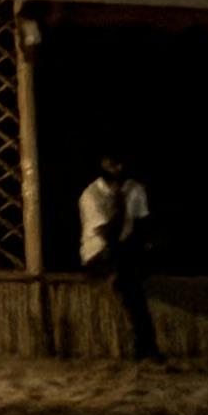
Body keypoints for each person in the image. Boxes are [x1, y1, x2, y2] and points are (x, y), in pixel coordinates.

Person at [79, 147, 159, 361]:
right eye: (113, 164)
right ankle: (144, 346)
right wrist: (119, 203)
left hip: (123, 251)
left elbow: (144, 225)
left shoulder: (135, 189)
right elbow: (109, 234)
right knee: (128, 283)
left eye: (120, 163)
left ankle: (144, 346)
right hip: (98, 254)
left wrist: (147, 248)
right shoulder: (91, 195)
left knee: (130, 278)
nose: (118, 169)